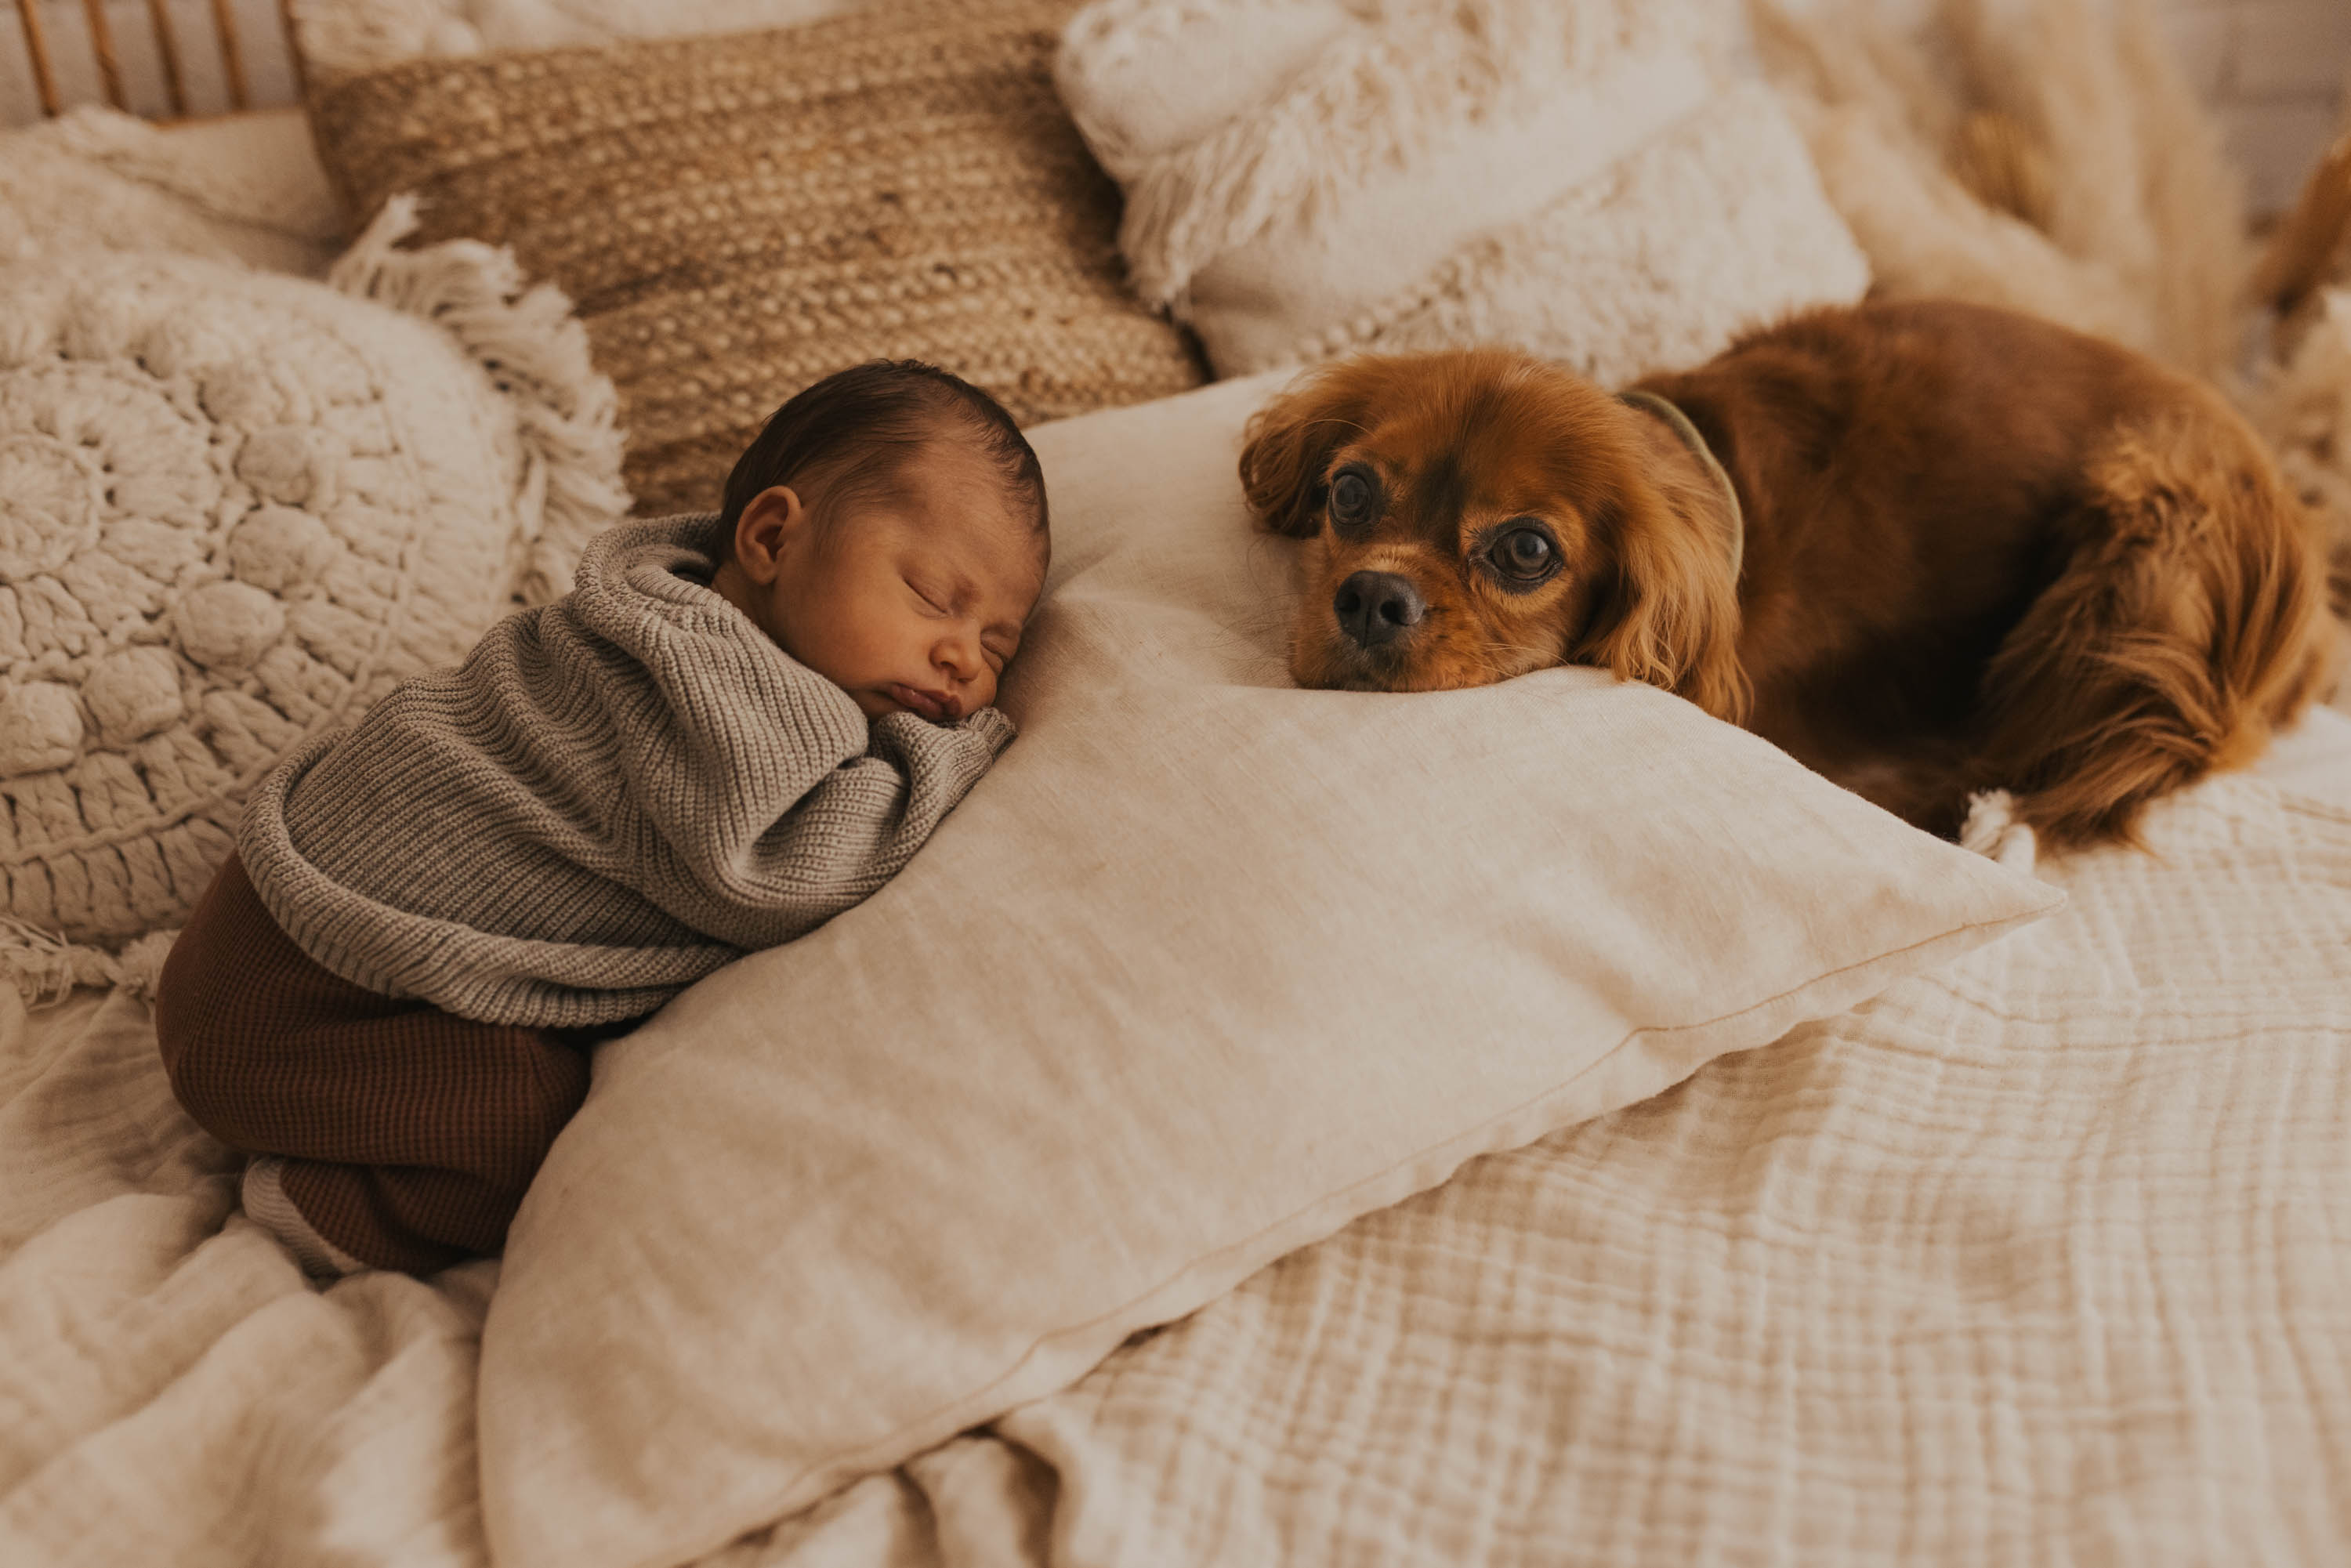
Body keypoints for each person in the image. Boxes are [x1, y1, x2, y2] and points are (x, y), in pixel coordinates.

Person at [156, 360, 1049, 1277]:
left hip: (266, 933)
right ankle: (322, 1206)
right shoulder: (729, 694)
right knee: (533, 1117)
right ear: (773, 538)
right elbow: (776, 873)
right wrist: (948, 756)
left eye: (996, 646)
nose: (959, 662)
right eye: (934, 598)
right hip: (303, 999)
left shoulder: (660, 610)